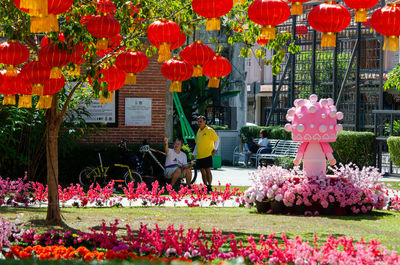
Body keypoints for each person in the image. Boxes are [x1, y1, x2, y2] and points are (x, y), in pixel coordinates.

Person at [192, 115, 220, 192]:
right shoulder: (198, 131)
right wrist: (193, 154)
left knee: (207, 170)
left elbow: (217, 140)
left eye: (200, 121)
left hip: (207, 154)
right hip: (199, 156)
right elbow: (197, 144)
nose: (199, 123)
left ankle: (209, 186)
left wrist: (215, 149)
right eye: (198, 121)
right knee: (202, 171)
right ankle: (205, 186)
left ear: (205, 122)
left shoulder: (209, 130)